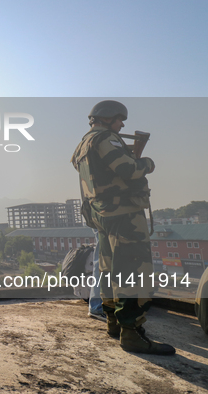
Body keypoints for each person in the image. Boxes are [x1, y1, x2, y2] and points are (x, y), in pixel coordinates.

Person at [71, 100, 175, 355]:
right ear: (107, 117)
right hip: (124, 215)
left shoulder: (83, 143)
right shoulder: (106, 137)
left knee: (108, 269)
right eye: (120, 119)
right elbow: (128, 169)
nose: (122, 124)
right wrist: (148, 163)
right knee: (133, 271)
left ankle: (114, 323)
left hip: (102, 215)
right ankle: (132, 333)